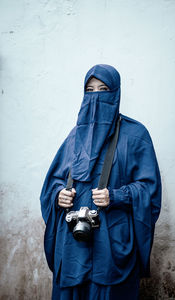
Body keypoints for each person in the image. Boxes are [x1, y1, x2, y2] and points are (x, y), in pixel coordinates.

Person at [40, 64, 162, 300]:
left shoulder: (136, 135)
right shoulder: (75, 135)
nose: (96, 96)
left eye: (103, 89)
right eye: (90, 90)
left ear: (115, 93)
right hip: (73, 244)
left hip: (112, 244)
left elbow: (149, 189)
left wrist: (117, 196)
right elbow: (54, 181)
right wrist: (58, 195)